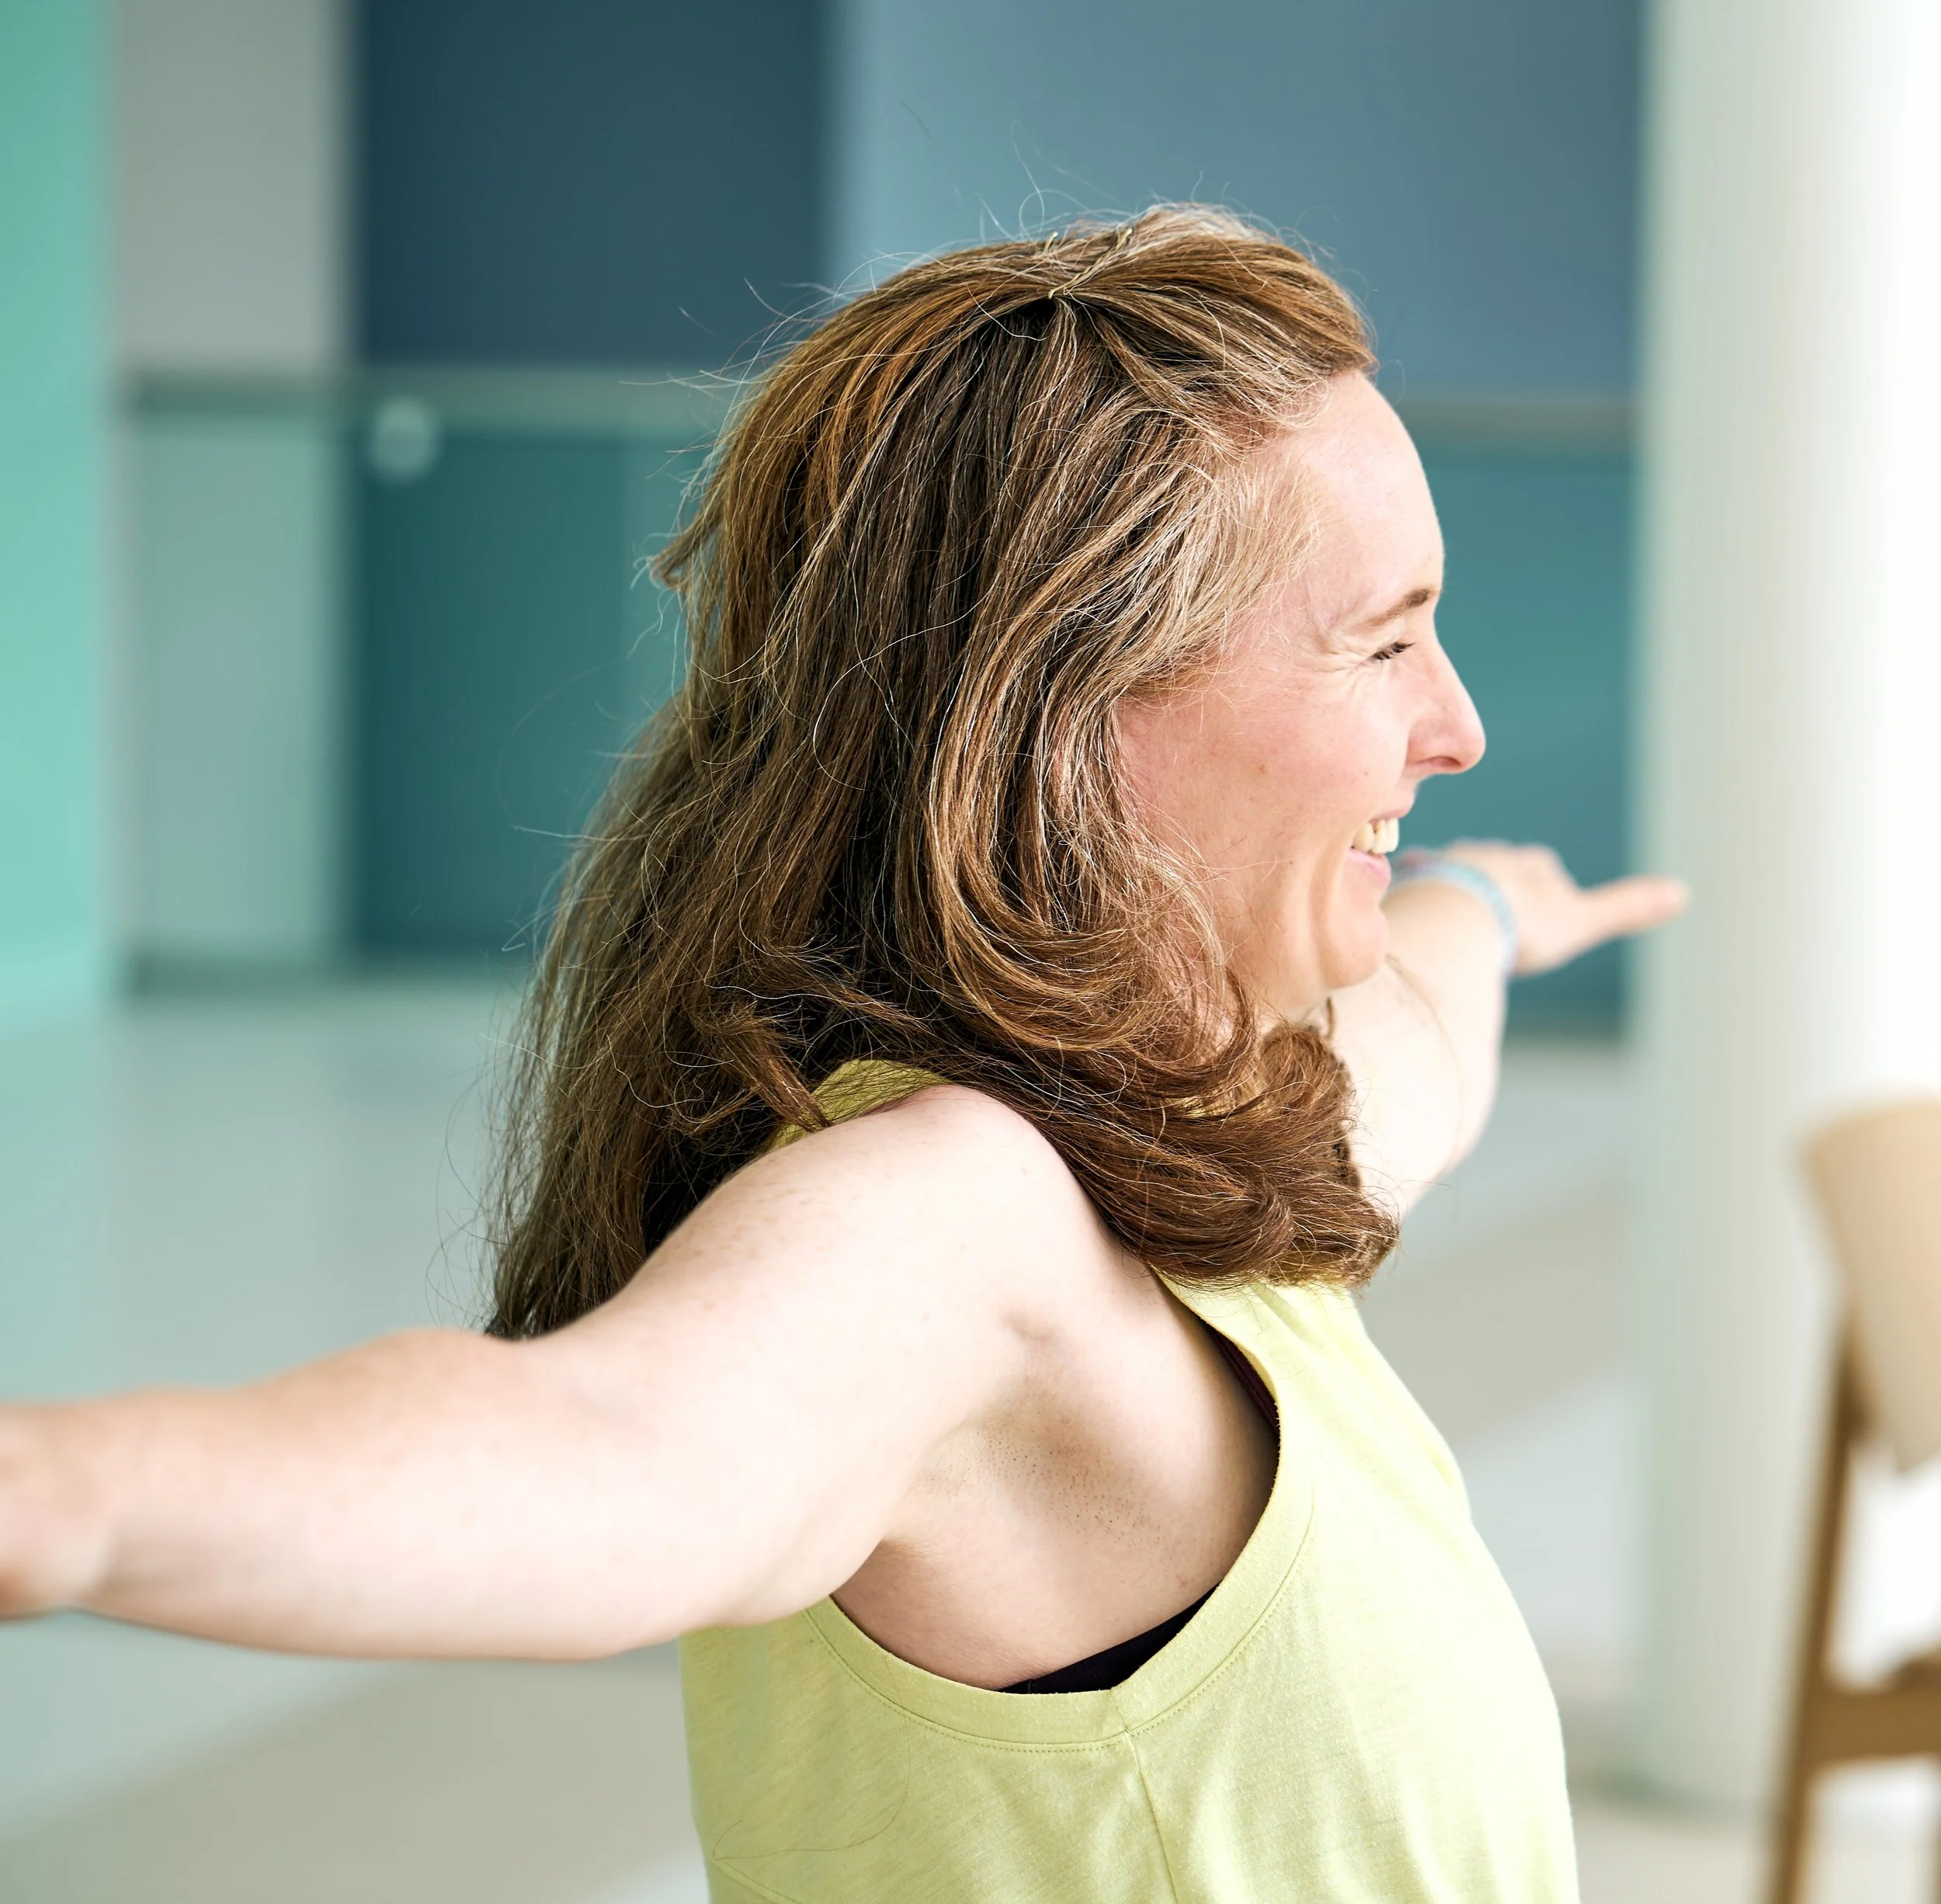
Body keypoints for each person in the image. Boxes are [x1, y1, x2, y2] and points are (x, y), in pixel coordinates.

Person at [0, 209, 1683, 1899]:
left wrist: (1480, 907)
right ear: (1073, 708)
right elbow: (607, 1453)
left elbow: (1416, 1052)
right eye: (1380, 639)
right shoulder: (957, 1219)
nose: (1453, 722)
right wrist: (56, 1490)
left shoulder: (1211, 1136)